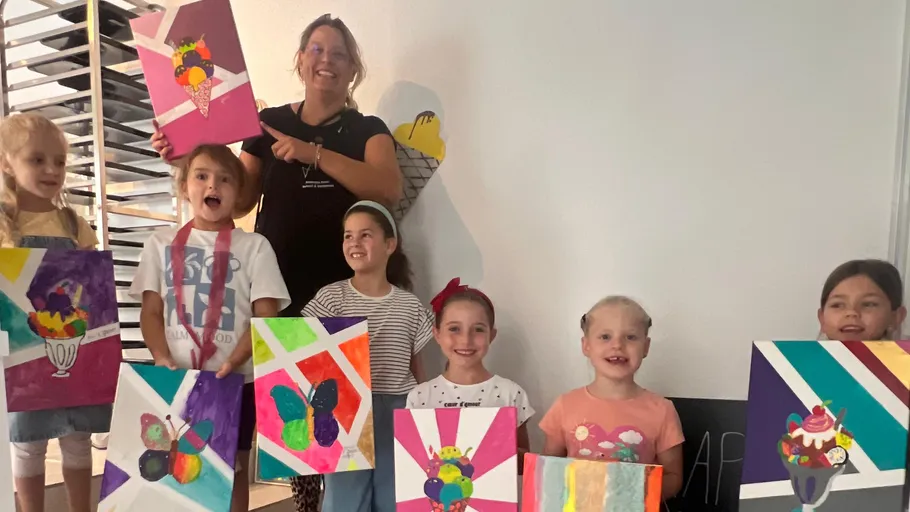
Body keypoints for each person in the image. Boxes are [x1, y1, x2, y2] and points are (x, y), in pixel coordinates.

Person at [150, 15, 402, 507]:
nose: (326, 60)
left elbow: (388, 188)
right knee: (298, 430)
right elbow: (238, 199)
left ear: (353, 69)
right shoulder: (267, 125)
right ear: (300, 60)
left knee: (341, 425)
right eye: (316, 49)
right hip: (276, 292)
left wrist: (313, 153)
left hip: (348, 297)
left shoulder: (369, 129)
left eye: (339, 53)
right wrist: (183, 162)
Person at [131, 145, 290, 512]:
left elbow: (266, 317)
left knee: (230, 471)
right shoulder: (159, 244)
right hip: (176, 377)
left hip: (235, 381)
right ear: (184, 186)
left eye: (225, 179)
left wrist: (235, 360)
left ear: (239, 193)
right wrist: (160, 357)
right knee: (174, 472)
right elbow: (151, 311)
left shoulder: (255, 247)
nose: (212, 185)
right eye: (201, 176)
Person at [0, 113, 107, 512]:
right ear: (6, 162)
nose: (51, 170)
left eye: (59, 162)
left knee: (78, 436)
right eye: (37, 159)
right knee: (27, 440)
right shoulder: (4, 225)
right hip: (21, 351)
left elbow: (93, 285)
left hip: (72, 342)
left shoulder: (73, 223)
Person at [301, 200, 433, 512]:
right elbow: (306, 357)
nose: (354, 243)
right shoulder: (331, 299)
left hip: (398, 409)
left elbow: (417, 367)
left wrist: (426, 416)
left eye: (365, 235)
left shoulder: (410, 305)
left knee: (396, 496)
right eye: (348, 236)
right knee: (345, 499)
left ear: (390, 245)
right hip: (344, 410)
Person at [540, 296, 684, 500]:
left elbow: (674, 478)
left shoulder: (662, 410)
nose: (617, 345)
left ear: (646, 347)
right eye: (605, 336)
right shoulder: (564, 405)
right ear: (586, 345)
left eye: (631, 337)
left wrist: (634, 486)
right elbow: (547, 472)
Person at [406, 278, 534, 473]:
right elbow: (411, 463)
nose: (466, 340)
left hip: (494, 490)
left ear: (492, 335)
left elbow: (524, 463)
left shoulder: (510, 394)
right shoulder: (420, 397)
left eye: (478, 330)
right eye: (454, 329)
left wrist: (492, 452)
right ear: (437, 334)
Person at [817, 259, 906, 341]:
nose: (851, 312)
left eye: (868, 304)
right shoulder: (809, 354)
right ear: (822, 318)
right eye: (837, 305)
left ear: (896, 317)